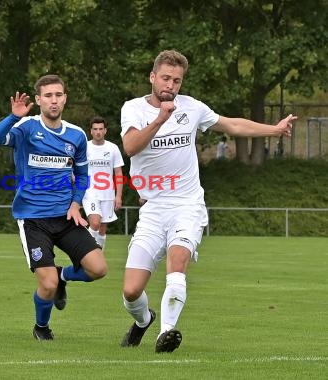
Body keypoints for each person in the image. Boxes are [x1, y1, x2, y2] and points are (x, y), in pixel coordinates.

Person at [119, 50, 295, 353]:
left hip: (187, 206)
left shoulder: (192, 108)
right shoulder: (133, 109)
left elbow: (234, 126)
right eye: (165, 78)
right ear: (152, 77)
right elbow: (131, 147)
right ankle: (144, 320)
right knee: (131, 291)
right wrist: (161, 118)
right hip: (152, 209)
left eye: (176, 80)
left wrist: (275, 130)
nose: (170, 85)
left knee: (178, 261)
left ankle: (167, 332)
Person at [0, 74, 108, 341]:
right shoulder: (26, 128)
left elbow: (83, 176)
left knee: (98, 269)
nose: (54, 100)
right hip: (33, 220)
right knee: (47, 285)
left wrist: (76, 204)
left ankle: (64, 275)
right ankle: (42, 327)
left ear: (65, 98)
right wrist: (13, 117)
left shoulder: (76, 135)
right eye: (48, 96)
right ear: (39, 100)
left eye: (59, 95)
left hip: (65, 216)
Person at [82, 116, 124, 252]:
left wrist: (118, 196)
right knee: (95, 222)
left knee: (102, 229)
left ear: (105, 131)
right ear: (91, 131)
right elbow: (75, 167)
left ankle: (98, 256)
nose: (98, 132)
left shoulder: (113, 148)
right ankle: (84, 253)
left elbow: (118, 173)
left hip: (108, 194)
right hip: (90, 192)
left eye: (101, 129)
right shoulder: (85, 147)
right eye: (95, 129)